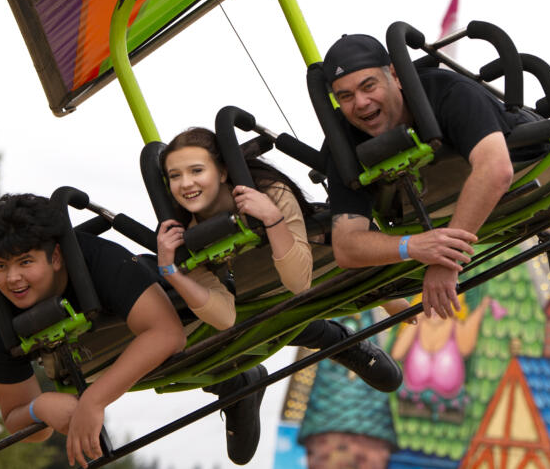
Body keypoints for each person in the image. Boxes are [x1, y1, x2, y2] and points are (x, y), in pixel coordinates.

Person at [322, 34, 550, 320]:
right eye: (346, 96)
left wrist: (443, 261)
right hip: (440, 199)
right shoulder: (344, 144)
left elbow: (496, 170)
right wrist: (413, 247)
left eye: (369, 86)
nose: (360, 103)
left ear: (396, 76)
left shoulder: (448, 92)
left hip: (518, 156)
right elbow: (346, 245)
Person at [0, 193, 256, 467]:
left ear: (56, 257)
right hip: (90, 353)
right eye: (0, 266)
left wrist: (92, 402)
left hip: (170, 306)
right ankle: (235, 382)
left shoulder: (100, 261)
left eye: (25, 262)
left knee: (176, 332)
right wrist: (40, 407)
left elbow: (168, 334)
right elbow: (18, 419)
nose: (12, 279)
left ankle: (233, 381)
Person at [157, 128, 403, 398]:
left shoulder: (268, 189)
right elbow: (225, 318)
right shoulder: (182, 233)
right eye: (175, 176)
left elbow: (299, 282)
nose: (186, 184)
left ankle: (365, 307)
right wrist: (172, 272)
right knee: (243, 314)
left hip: (314, 253)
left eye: (196, 171)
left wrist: (272, 219)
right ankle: (335, 339)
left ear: (223, 172)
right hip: (254, 287)